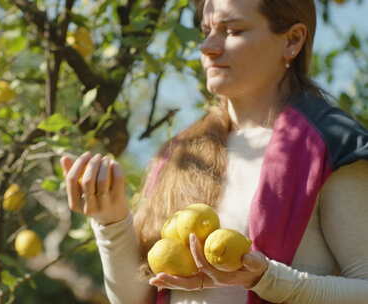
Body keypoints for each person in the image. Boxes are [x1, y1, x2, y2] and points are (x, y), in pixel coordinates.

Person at [60, 0, 368, 303]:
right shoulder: (181, 154)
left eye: (232, 31)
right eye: (206, 30)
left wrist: (268, 280)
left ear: (292, 40)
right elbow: (135, 298)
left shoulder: (331, 142)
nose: (208, 47)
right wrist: (110, 222)